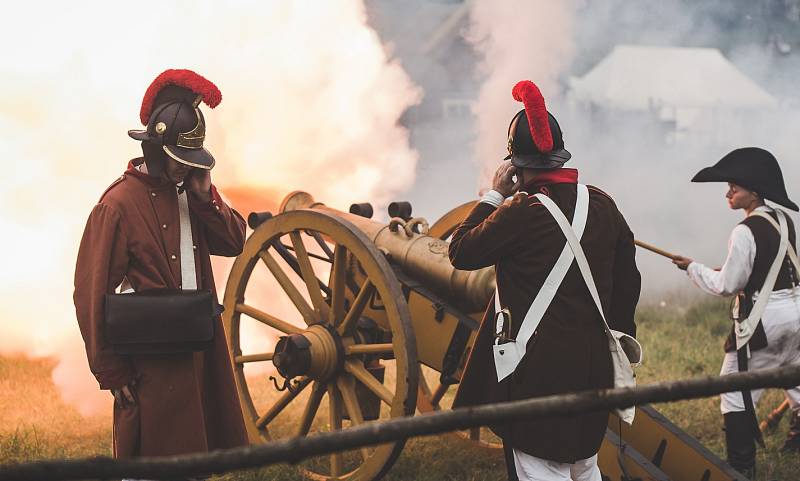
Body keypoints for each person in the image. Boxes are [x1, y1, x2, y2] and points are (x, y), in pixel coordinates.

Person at [449, 80, 641, 481]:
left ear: (515, 166)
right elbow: (628, 283)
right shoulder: (603, 204)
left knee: (538, 467)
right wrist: (617, 344)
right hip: (593, 367)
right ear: (559, 157)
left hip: (534, 372)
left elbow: (461, 251)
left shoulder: (520, 211)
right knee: (584, 465)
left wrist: (493, 196)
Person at [73, 69, 249, 459]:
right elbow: (90, 293)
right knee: (152, 458)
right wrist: (111, 370)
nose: (186, 167)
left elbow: (235, 242)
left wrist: (207, 198)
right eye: (179, 158)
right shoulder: (116, 205)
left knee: (199, 456)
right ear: (157, 147)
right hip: (149, 358)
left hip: (198, 350)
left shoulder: (194, 192)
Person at [672, 147, 800, 477]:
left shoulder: (743, 231)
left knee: (733, 395)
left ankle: (740, 472)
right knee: (794, 380)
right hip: (795, 318)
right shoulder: (784, 220)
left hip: (763, 324)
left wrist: (694, 269)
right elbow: (766, 270)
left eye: (735, 187)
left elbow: (728, 285)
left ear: (753, 192)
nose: (728, 192)